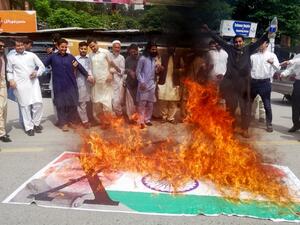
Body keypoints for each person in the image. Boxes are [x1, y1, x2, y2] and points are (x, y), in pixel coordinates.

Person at [202, 24, 271, 138]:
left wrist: (267, 33)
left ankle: (245, 129)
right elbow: (218, 39)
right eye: (236, 42)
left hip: (244, 86)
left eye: (240, 41)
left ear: (243, 42)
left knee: (245, 109)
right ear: (234, 43)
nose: (238, 43)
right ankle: (231, 128)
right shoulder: (230, 49)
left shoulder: (249, 49)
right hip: (231, 86)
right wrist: (208, 30)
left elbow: (259, 42)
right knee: (230, 109)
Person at [44, 39, 93, 132]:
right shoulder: (52, 57)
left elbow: (79, 67)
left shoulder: (70, 57)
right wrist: (35, 70)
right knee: (61, 104)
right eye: (62, 47)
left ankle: (72, 122)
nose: (64, 49)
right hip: (59, 85)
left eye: (65, 47)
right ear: (58, 47)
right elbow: (42, 64)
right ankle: (63, 123)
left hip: (71, 84)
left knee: (72, 103)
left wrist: (88, 75)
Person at [7, 39, 45, 136]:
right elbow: (9, 71)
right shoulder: (11, 57)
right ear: (14, 47)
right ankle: (29, 128)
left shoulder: (31, 55)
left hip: (33, 84)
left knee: (38, 104)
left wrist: (37, 72)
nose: (19, 47)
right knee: (25, 106)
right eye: (17, 45)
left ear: (24, 45)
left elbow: (42, 66)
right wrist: (11, 80)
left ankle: (36, 123)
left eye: (21, 45)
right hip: (20, 85)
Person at [250, 39, 279, 132]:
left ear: (266, 44)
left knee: (267, 105)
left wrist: (272, 63)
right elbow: (248, 69)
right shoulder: (253, 56)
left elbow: (278, 67)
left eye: (261, 43)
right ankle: (246, 122)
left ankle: (269, 124)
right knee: (248, 103)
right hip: (253, 83)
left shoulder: (272, 56)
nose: (259, 45)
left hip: (265, 83)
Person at [136, 41, 163, 129]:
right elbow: (138, 72)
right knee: (142, 103)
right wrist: (142, 82)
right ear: (148, 49)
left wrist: (158, 69)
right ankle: (141, 120)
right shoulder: (142, 58)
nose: (154, 51)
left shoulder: (154, 59)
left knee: (150, 103)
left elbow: (155, 72)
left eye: (155, 49)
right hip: (143, 84)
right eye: (152, 49)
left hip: (152, 84)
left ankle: (147, 119)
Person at [87, 38, 113, 127]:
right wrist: (90, 76)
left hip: (106, 81)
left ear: (97, 43)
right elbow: (89, 67)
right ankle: (99, 121)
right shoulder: (90, 55)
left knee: (107, 103)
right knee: (96, 102)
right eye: (91, 47)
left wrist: (110, 74)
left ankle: (108, 121)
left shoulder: (105, 52)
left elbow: (111, 64)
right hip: (96, 82)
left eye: (93, 46)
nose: (93, 48)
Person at [157, 46, 184, 124]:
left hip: (174, 82)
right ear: (167, 49)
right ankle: (164, 117)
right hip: (163, 81)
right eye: (170, 47)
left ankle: (170, 118)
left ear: (175, 48)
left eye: (172, 47)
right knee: (162, 100)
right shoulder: (162, 56)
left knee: (173, 101)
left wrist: (179, 70)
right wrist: (159, 68)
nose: (171, 49)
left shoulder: (179, 57)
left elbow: (183, 68)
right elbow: (157, 66)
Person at [75, 41, 93, 129]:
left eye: (85, 49)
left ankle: (92, 118)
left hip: (91, 83)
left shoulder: (90, 58)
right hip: (80, 83)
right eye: (81, 48)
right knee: (82, 102)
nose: (83, 50)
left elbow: (92, 69)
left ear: (87, 49)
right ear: (78, 49)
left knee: (91, 102)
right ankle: (85, 121)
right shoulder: (75, 59)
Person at [280, 59, 300, 132]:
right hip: (298, 83)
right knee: (295, 105)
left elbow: (297, 61)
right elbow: (292, 68)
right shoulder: (298, 57)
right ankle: (296, 124)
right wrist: (284, 73)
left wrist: (290, 61)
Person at [108, 40, 125, 117]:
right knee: (109, 102)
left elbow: (121, 71)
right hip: (109, 82)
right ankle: (113, 119)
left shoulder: (121, 58)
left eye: (118, 47)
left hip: (118, 83)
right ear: (112, 48)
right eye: (115, 47)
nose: (117, 49)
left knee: (116, 102)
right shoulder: (109, 56)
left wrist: (114, 67)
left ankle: (120, 115)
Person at [124, 44, 140, 121]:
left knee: (138, 101)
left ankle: (138, 117)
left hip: (139, 84)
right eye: (131, 52)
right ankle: (131, 117)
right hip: (130, 83)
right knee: (130, 102)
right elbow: (124, 69)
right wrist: (129, 71)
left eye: (134, 52)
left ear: (137, 50)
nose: (133, 53)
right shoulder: (127, 59)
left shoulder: (141, 59)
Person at [0, 39, 11, 142]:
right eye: (0, 46)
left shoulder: (4, 57)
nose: (2, 48)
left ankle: (2, 131)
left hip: (4, 85)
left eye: (3, 46)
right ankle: (2, 133)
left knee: (4, 109)